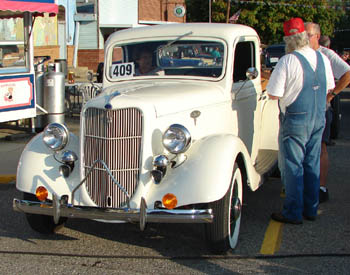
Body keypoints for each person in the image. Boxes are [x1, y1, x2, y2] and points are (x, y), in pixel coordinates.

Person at [267, 18, 335, 224]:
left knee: (293, 166)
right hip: (317, 116)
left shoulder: (287, 61)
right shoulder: (322, 58)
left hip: (296, 119)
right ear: (305, 37)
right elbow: (330, 86)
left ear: (289, 39)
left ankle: (293, 212)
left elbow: (273, 94)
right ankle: (311, 208)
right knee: (311, 163)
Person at [305, 23, 350, 203]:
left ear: (317, 36)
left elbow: (347, 73)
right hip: (302, 109)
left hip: (321, 109)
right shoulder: (298, 53)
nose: (305, 38)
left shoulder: (326, 54)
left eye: (308, 34)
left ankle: (321, 187)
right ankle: (304, 185)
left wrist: (331, 95)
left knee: (320, 147)